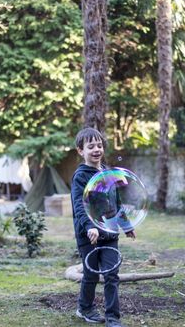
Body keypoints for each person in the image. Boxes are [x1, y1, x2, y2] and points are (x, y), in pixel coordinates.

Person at [71, 127, 136, 327]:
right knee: (91, 274)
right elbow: (79, 206)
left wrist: (125, 225)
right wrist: (90, 227)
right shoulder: (80, 176)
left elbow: (115, 201)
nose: (97, 149)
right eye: (91, 146)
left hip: (109, 232)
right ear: (81, 151)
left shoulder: (107, 173)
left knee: (111, 273)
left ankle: (112, 318)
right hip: (88, 234)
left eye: (99, 145)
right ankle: (85, 308)